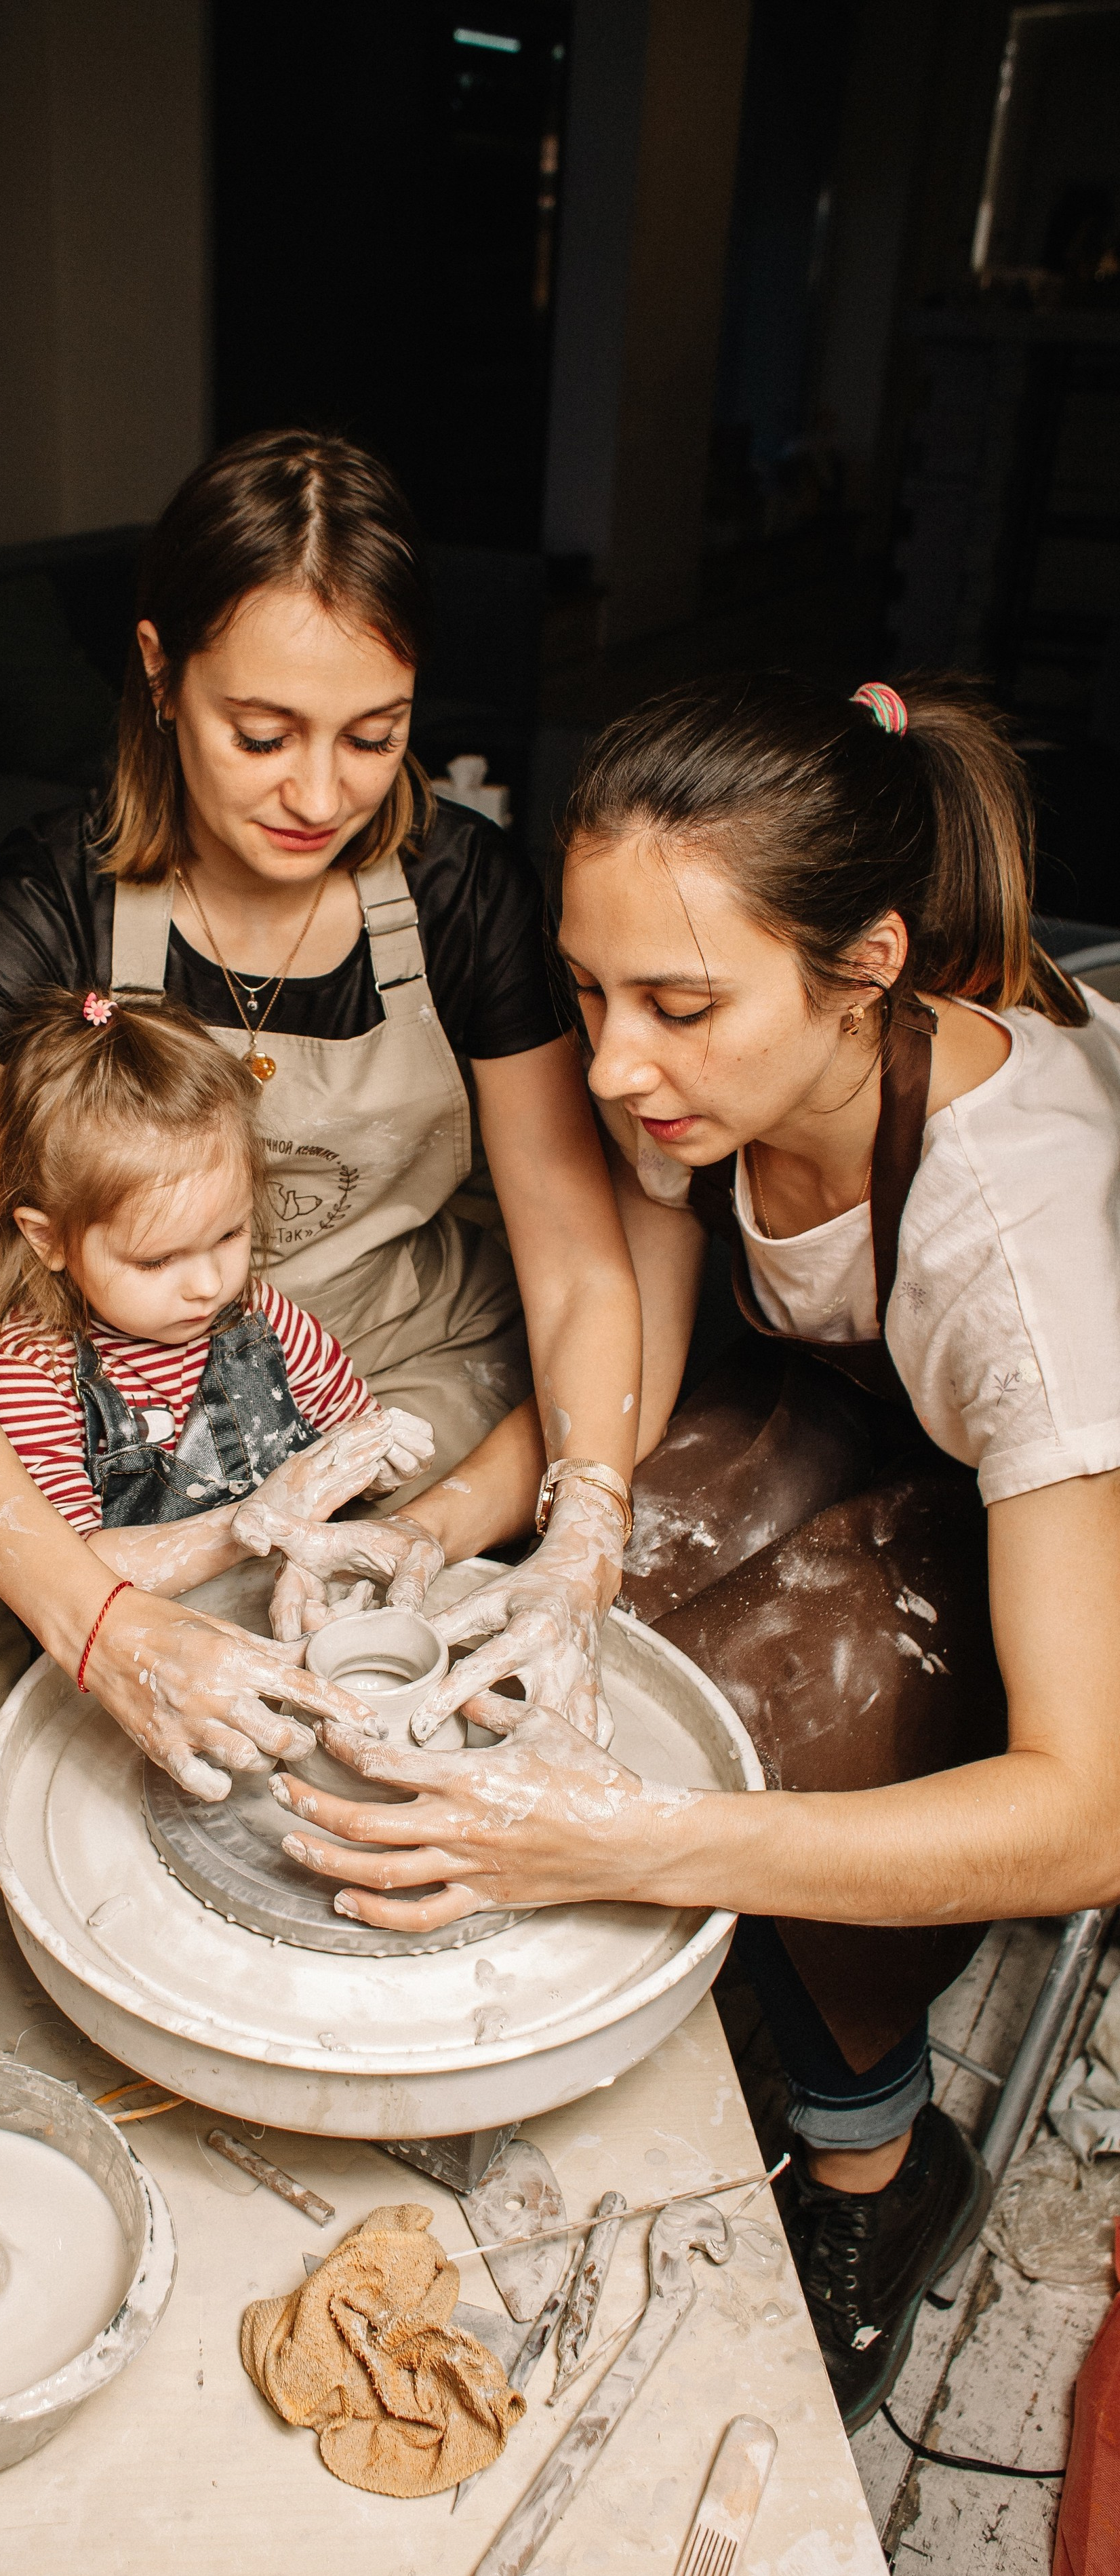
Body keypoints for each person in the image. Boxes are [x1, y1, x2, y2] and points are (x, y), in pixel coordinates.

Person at [266, 674, 1120, 2430]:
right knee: (607, 1623)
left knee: (792, 1695)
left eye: (677, 1004)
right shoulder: (697, 1098)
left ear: (866, 967)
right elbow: (623, 1398)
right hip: (878, 1397)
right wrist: (439, 1534)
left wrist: (631, 1843)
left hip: (1075, 1506)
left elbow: (1085, 1814)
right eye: (589, 991)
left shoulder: (1025, 1249)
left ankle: (878, 2179)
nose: (612, 1062)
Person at [0, 429, 641, 1789]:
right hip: (107, 1371)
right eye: (261, 735)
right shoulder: (47, 900)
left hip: (381, 1358)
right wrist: (97, 1622)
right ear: (160, 674)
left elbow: (575, 1272)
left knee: (386, 1680)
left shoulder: (464, 895)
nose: (321, 795)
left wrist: (575, 1531)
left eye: (374, 737)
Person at [0, 983, 440, 1728]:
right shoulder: (30, 1375)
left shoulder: (261, 1318)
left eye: (228, 1236)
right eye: (157, 1262)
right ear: (47, 1237)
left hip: (285, 1612)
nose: (209, 1283)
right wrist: (254, 1519)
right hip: (136, 1665)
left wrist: (375, 1448)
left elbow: (347, 1447)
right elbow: (70, 1571)